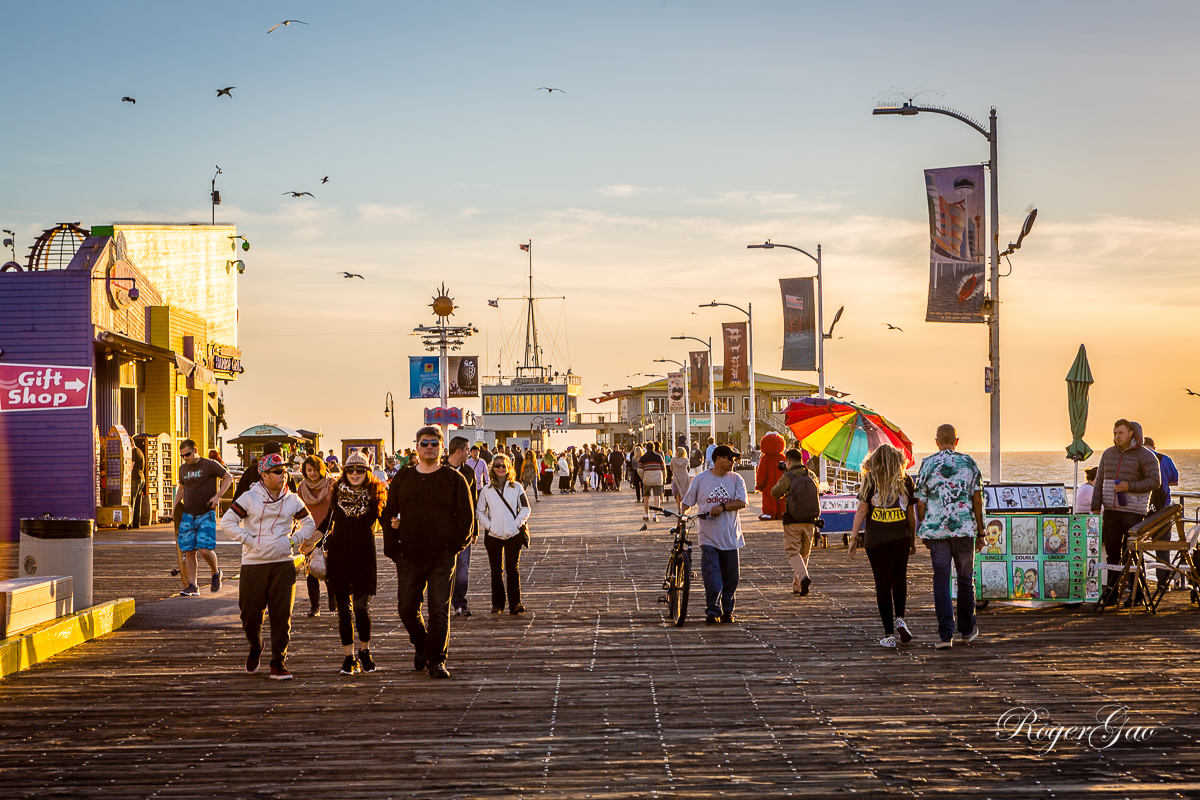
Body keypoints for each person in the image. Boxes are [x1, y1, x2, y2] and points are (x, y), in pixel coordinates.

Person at [383, 427, 474, 679]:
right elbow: (389, 513)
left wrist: (453, 548)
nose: (429, 447)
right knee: (406, 608)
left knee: (439, 610)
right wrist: (393, 549)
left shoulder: (454, 479)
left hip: (442, 556)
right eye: (424, 443)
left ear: (442, 448)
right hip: (408, 555)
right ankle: (422, 644)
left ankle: (436, 660)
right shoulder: (403, 477)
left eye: (434, 443)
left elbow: (466, 518)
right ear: (417, 447)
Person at [220, 453, 319, 679]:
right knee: (250, 615)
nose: (283, 475)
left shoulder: (293, 500)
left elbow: (309, 523)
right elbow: (227, 522)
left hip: (283, 562)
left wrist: (292, 541)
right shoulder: (249, 498)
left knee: (282, 616)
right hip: (253, 563)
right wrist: (250, 540)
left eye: (285, 471)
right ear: (264, 475)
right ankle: (256, 645)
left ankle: (278, 663)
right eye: (277, 472)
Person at [914, 424, 984, 649]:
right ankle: (967, 631)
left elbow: (920, 501)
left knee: (941, 580)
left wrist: (924, 527)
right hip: (964, 530)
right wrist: (981, 531)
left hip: (937, 532)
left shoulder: (927, 464)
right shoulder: (969, 463)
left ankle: (945, 636)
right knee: (965, 579)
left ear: (936, 442)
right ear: (957, 441)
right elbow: (977, 501)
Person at [320, 450, 387, 675]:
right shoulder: (337, 494)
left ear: (367, 472)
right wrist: (309, 542)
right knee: (343, 611)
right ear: (344, 472)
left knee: (361, 608)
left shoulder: (375, 495)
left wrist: (398, 531)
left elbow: (388, 522)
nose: (355, 473)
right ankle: (349, 657)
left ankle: (365, 651)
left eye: (360, 469)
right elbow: (326, 522)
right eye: (350, 470)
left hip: (364, 557)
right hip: (338, 556)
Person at [848, 445, 918, 648]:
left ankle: (889, 635)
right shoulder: (905, 480)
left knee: (882, 584)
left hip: (876, 540)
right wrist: (912, 539)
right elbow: (911, 514)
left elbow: (862, 511)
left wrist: (853, 539)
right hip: (901, 538)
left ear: (875, 461)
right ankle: (901, 619)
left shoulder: (870, 480)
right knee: (899, 579)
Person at [1092, 420, 1160, 606]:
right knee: (1112, 554)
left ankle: (1137, 595)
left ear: (1131, 433)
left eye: (1120, 433)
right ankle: (1111, 593)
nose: (1116, 437)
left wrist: (1129, 486)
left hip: (1133, 513)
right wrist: (1095, 507)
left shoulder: (1146, 456)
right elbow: (1099, 482)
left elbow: (1155, 481)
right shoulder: (1108, 454)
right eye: (1114, 433)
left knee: (1134, 554)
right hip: (1110, 512)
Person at [683, 445, 748, 623]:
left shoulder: (736, 479)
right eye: (730, 459)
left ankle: (727, 610)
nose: (733, 463)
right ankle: (712, 610)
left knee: (731, 578)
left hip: (731, 536)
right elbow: (687, 502)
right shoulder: (701, 479)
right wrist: (682, 516)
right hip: (708, 536)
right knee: (711, 575)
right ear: (719, 459)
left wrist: (723, 506)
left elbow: (742, 502)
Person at [174, 439, 234, 597]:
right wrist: (175, 508)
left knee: (204, 550)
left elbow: (228, 478)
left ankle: (216, 572)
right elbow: (182, 488)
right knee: (189, 550)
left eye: (187, 454)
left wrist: (218, 496)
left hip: (206, 512)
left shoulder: (209, 465)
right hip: (188, 513)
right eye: (182, 456)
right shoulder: (183, 469)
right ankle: (193, 585)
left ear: (195, 450)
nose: (185, 458)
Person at [477, 453, 532, 614]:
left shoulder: (517, 487)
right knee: (496, 571)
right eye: (497, 465)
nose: (500, 468)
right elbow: (479, 511)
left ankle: (515, 603)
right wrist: (489, 526)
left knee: (512, 569)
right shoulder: (486, 490)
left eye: (504, 465)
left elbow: (526, 508)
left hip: (513, 534)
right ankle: (497, 604)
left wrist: (516, 524)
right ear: (492, 468)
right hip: (493, 535)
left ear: (509, 468)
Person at [770, 448, 821, 597]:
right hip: (810, 520)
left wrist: (784, 479)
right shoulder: (811, 475)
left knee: (793, 552)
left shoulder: (788, 476)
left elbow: (775, 493)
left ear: (788, 461)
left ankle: (803, 578)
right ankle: (798, 586)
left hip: (793, 521)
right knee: (804, 554)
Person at [297, 455, 336, 617]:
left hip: (330, 532)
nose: (312, 473)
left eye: (315, 469)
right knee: (311, 569)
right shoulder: (302, 487)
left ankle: (333, 598)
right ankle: (315, 606)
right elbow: (297, 510)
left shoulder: (332, 484)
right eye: (309, 470)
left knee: (330, 567)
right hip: (310, 533)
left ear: (321, 469)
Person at [447, 436, 479, 617]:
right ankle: (443, 603)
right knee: (443, 568)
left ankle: (460, 603)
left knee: (462, 568)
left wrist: (474, 529)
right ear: (458, 451)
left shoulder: (469, 472)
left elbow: (473, 501)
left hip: (463, 528)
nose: (470, 453)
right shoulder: (439, 469)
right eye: (467, 450)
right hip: (443, 528)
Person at [638, 442, 667, 523]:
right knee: (657, 497)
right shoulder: (659, 456)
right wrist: (664, 478)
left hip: (647, 479)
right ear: (654, 448)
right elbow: (663, 468)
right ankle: (655, 515)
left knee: (646, 497)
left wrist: (642, 476)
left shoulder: (643, 457)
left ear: (646, 448)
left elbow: (639, 469)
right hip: (657, 479)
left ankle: (647, 515)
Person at [670, 446, 692, 514]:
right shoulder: (686, 460)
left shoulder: (673, 460)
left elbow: (671, 468)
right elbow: (688, 468)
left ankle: (679, 508)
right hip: (684, 478)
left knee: (677, 494)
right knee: (684, 493)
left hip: (676, 478)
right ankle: (683, 508)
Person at [130, 442, 146, 529]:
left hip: (135, 478)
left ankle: (130, 521)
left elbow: (131, 466)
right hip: (141, 477)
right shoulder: (139, 451)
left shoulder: (134, 452)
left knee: (132, 500)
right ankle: (137, 522)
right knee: (138, 501)